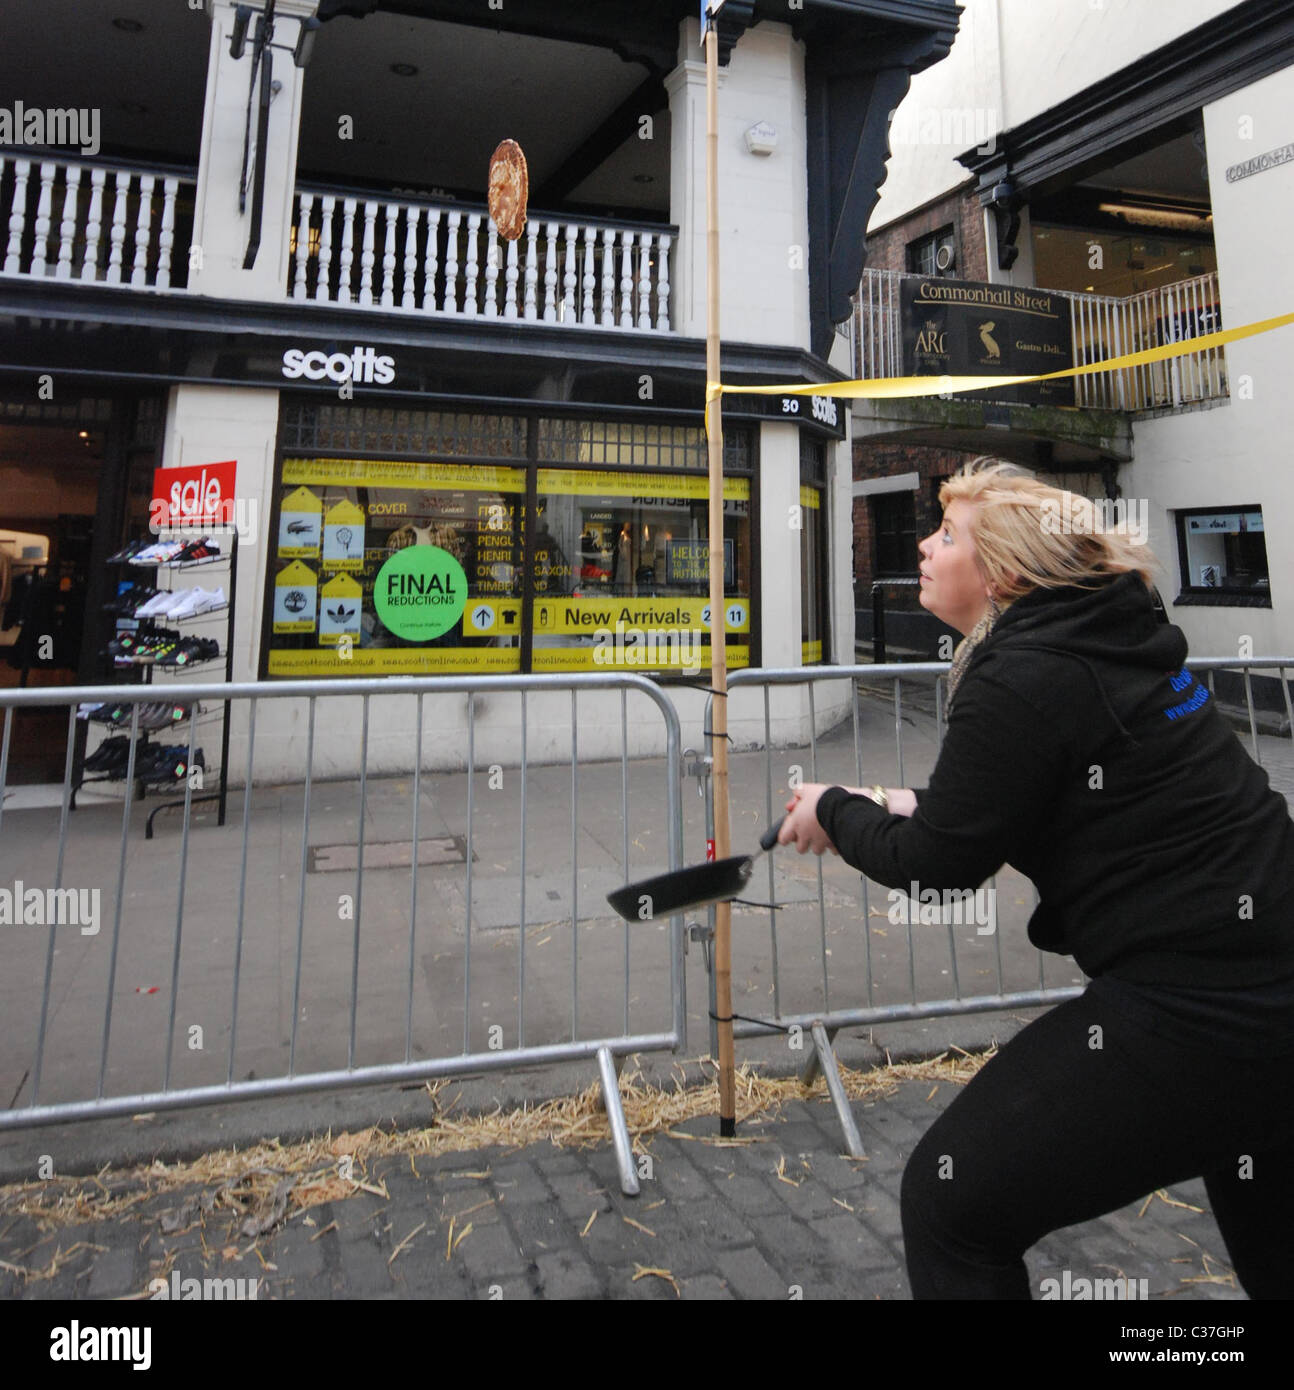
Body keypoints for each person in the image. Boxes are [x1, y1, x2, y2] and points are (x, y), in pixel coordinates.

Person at [778, 460, 1294, 1299]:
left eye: (948, 536)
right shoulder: (1099, 636)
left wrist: (837, 808)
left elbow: (944, 862)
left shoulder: (1020, 675)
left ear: (1004, 572)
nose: (924, 546)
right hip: (1270, 972)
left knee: (948, 1201)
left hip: (1200, 1006)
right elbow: (996, 801)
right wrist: (880, 802)